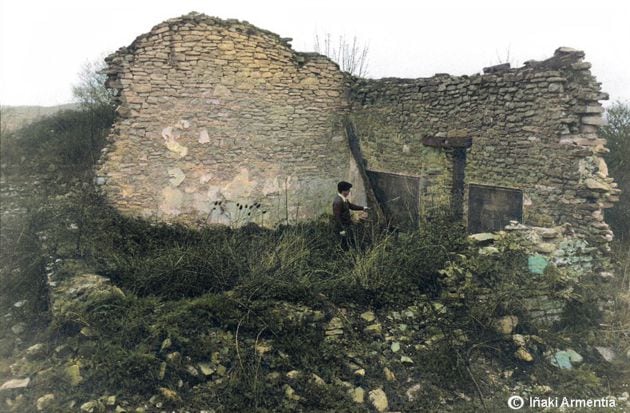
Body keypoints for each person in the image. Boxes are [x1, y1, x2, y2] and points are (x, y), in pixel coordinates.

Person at [332, 181, 369, 250]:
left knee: (349, 242)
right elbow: (337, 217)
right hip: (342, 227)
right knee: (343, 244)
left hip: (347, 225)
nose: (349, 192)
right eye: (348, 190)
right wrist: (341, 230)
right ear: (343, 191)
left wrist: (363, 208)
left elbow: (351, 206)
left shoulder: (344, 199)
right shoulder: (338, 202)